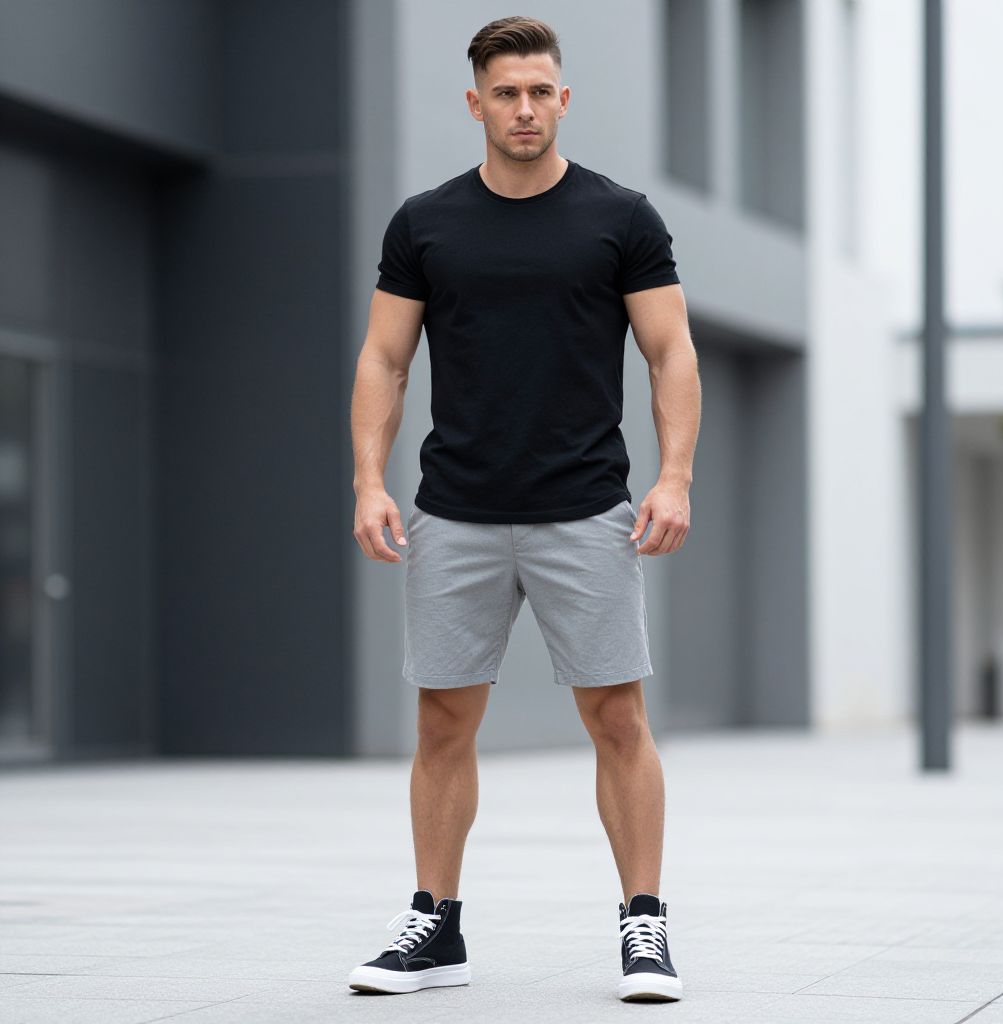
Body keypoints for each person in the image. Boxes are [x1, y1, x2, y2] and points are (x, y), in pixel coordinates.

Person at [348, 15, 700, 1004]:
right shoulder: (425, 223)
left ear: (563, 98)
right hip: (453, 510)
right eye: (505, 93)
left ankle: (643, 926)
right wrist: (368, 482)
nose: (524, 108)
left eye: (540, 90)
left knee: (616, 716)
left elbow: (670, 352)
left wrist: (672, 476)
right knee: (442, 722)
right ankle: (436, 926)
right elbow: (383, 357)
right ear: (476, 103)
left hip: (586, 508)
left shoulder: (619, 218)